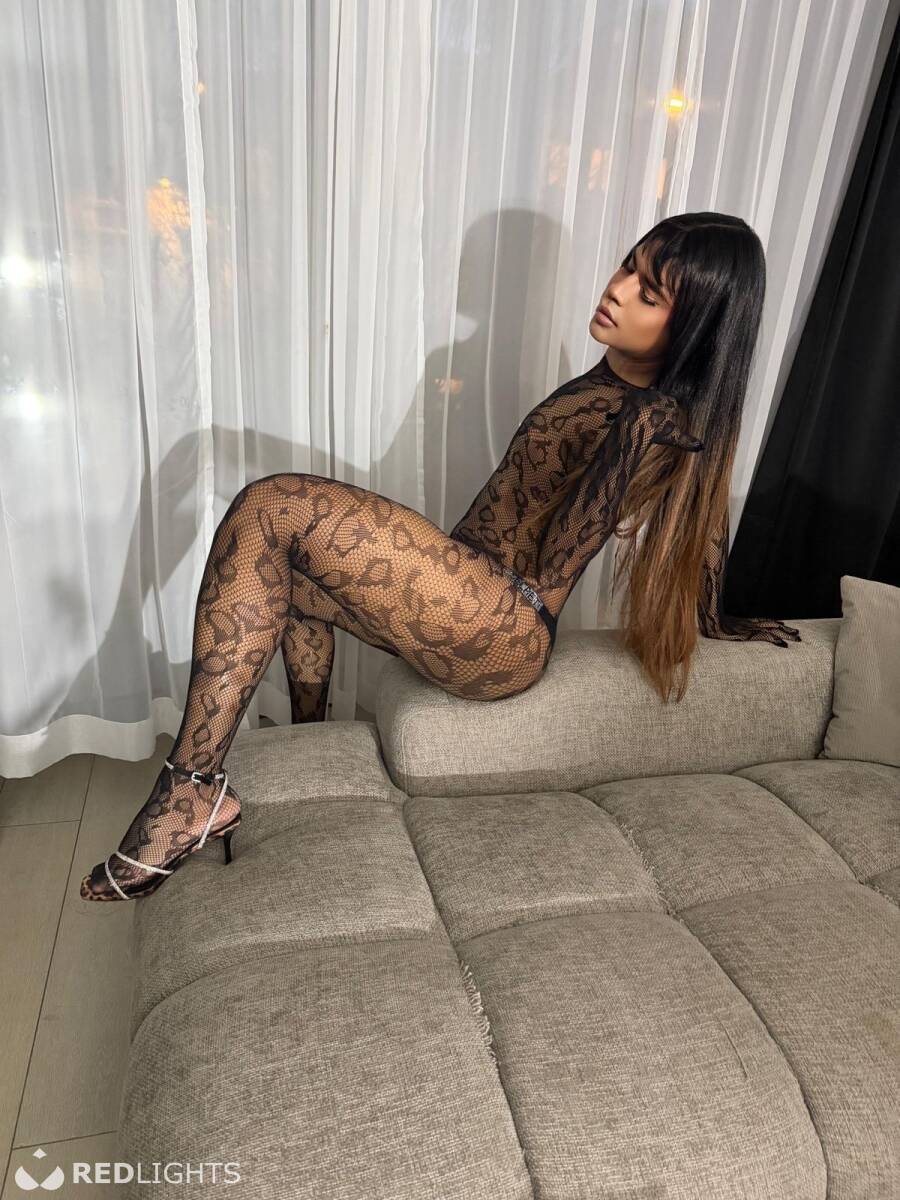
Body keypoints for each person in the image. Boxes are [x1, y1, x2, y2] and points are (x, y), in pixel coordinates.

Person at [81, 210, 800, 902]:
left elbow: (557, 567)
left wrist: (631, 442)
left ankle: (188, 792)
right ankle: (312, 745)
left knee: (272, 506)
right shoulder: (617, 383)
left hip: (506, 624)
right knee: (287, 570)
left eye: (650, 293)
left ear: (694, 328)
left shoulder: (655, 421)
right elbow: (705, 523)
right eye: (627, 267)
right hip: (469, 590)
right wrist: (717, 613)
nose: (617, 290)